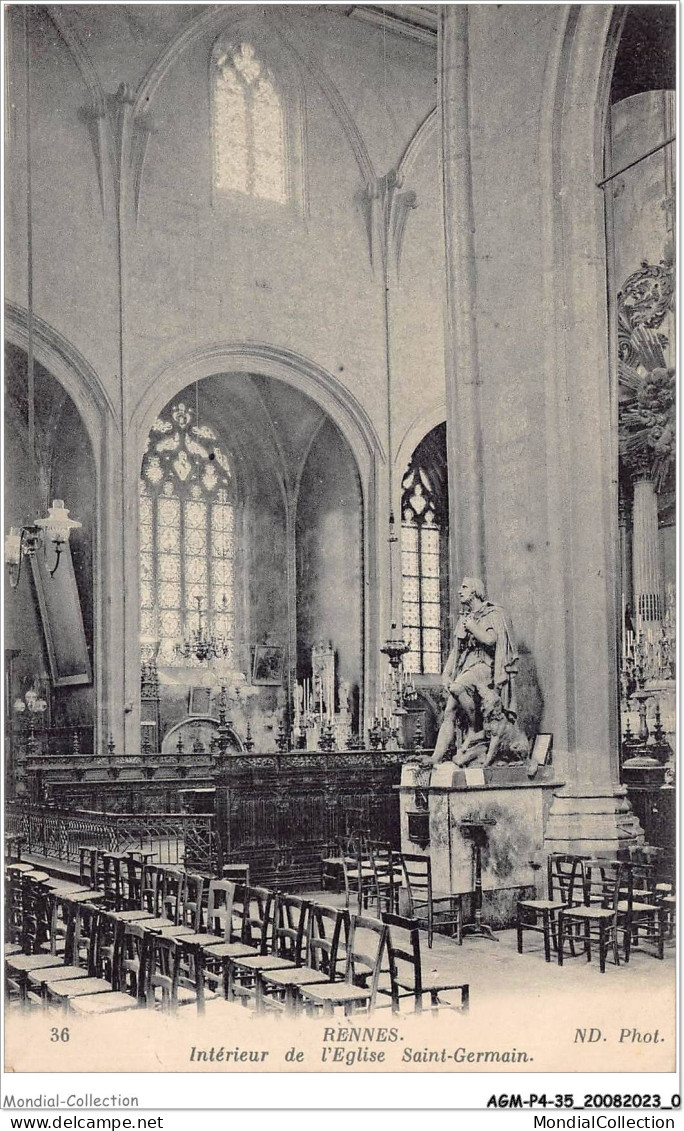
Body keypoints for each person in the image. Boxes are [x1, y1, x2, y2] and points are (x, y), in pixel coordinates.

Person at [428, 577, 519, 765]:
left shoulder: (492, 613)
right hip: (468, 665)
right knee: (449, 711)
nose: (459, 591)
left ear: (475, 590)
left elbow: (490, 640)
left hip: (486, 666)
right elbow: (456, 650)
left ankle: (474, 727)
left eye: (464, 587)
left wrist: (472, 627)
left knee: (457, 688)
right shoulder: (464, 618)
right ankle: (435, 757)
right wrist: (446, 674)